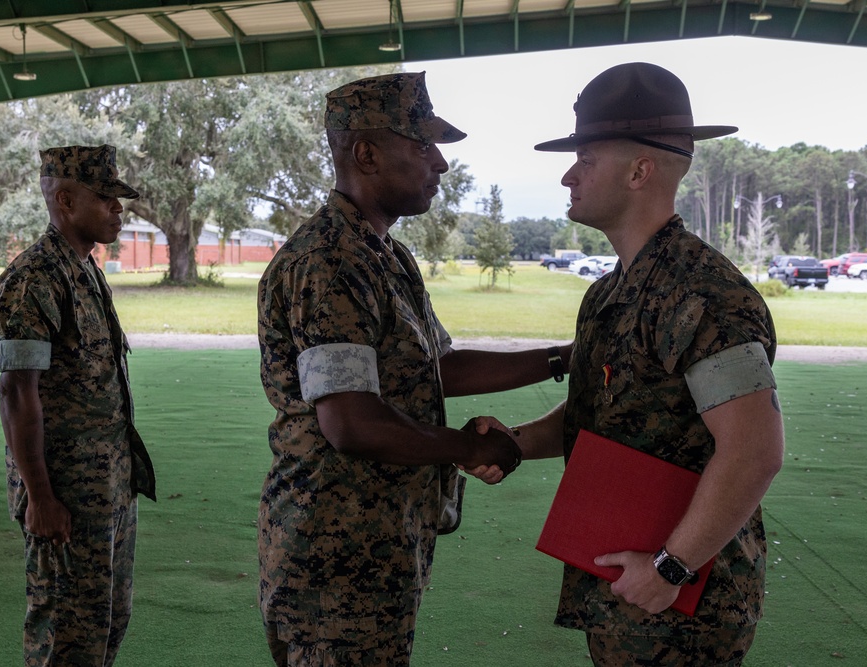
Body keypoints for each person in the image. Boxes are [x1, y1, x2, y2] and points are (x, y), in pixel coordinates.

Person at [256, 71, 571, 666]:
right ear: (366, 154)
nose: (441, 164)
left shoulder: (384, 255)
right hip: (335, 555)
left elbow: (435, 369)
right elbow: (352, 422)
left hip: (380, 538)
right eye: (423, 146)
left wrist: (562, 359)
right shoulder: (328, 262)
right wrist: (467, 447)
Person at [505, 62, 786, 664]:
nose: (568, 175)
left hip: (683, 604)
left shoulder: (704, 294)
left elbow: (753, 450)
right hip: (626, 587)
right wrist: (513, 444)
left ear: (639, 171)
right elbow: (601, 414)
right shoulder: (610, 292)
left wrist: (672, 567)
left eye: (585, 159)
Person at [0, 144, 156, 667]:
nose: (117, 208)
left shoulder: (84, 269)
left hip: (106, 488)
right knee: (65, 639)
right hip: (64, 494)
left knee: (104, 628)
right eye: (105, 197)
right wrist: (40, 497)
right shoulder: (33, 279)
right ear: (64, 200)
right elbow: (17, 391)